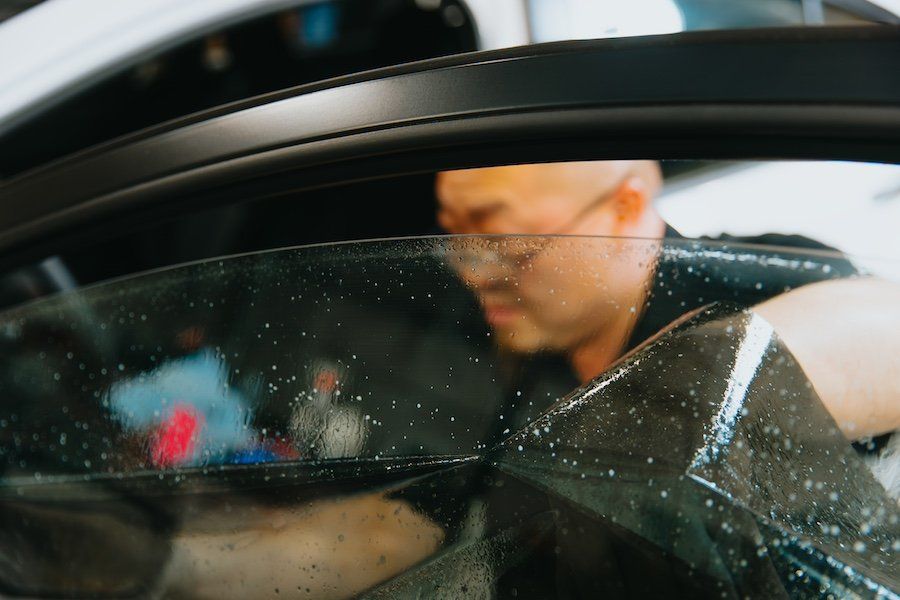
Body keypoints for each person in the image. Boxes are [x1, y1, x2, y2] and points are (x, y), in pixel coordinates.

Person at [435, 160, 900, 441]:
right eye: (456, 237)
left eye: (500, 238)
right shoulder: (517, 337)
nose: (473, 275)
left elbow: (887, 330)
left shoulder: (760, 285)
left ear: (624, 208)